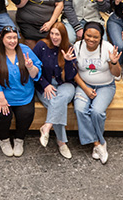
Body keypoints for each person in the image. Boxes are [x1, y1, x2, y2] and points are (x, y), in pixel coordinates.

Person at [0, 25, 41, 157]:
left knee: (26, 113)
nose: (12, 41)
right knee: (3, 115)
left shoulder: (25, 50)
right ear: (2, 39)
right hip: (0, 94)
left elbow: (35, 74)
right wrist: (2, 100)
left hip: (23, 93)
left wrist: (30, 67)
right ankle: (4, 140)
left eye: (15, 37)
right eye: (9, 37)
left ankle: (19, 139)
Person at [33, 23, 84, 159]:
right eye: (52, 33)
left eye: (58, 34)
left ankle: (47, 126)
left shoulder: (69, 48)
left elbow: (70, 76)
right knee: (56, 103)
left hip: (64, 85)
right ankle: (62, 142)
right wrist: (44, 84)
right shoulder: (41, 46)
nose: (54, 37)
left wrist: (68, 62)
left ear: (63, 36)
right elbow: (33, 70)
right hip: (45, 85)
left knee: (59, 99)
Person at [72, 21, 121, 164]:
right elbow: (74, 72)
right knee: (80, 109)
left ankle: (97, 142)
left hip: (105, 86)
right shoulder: (77, 46)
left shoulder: (108, 48)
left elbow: (117, 74)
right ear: (83, 34)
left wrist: (113, 62)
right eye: (88, 35)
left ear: (101, 38)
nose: (91, 39)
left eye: (96, 37)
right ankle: (98, 143)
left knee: (97, 112)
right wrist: (86, 89)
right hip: (84, 85)